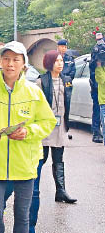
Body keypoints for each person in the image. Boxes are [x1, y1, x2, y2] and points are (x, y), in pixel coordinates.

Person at [0, 41, 57, 233]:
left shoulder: (34, 92)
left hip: (25, 164)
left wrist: (28, 132)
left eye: (16, 59)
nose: (10, 64)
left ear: (23, 63)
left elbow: (47, 122)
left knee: (22, 216)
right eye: (6, 59)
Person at [37, 50, 77, 204]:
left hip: (59, 126)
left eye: (62, 61)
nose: (60, 64)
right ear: (49, 63)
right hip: (45, 126)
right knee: (42, 158)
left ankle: (61, 191)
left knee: (59, 159)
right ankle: (33, 188)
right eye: (57, 61)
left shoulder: (66, 80)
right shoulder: (41, 82)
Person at [90, 33, 105, 143]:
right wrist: (97, 63)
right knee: (97, 109)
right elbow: (93, 69)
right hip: (97, 87)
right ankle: (96, 132)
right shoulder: (95, 51)